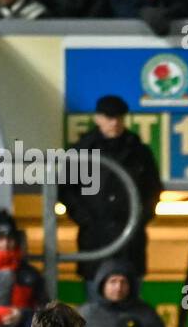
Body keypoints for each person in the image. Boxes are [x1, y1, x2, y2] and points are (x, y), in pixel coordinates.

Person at [65, 95, 163, 283]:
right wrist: (85, 220)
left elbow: (153, 189)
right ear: (98, 119)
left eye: (118, 118)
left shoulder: (139, 152)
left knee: (130, 296)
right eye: (109, 117)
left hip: (130, 243)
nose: (114, 123)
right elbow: (66, 189)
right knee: (95, 298)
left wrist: (139, 219)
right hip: (95, 240)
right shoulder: (81, 151)